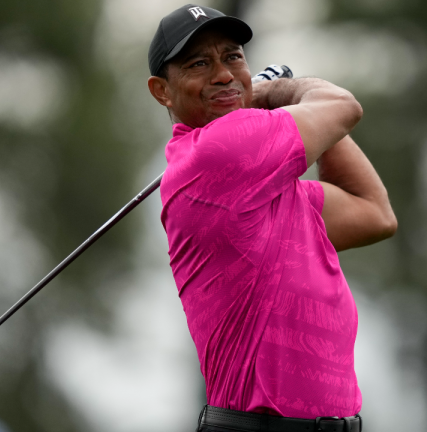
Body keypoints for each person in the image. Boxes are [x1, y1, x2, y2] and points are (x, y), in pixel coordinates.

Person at [147, 4, 397, 432]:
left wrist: (269, 108)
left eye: (233, 57)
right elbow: (342, 106)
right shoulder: (215, 154)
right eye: (199, 64)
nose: (224, 74)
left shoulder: (262, 187)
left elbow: (374, 213)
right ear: (162, 92)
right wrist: (276, 93)